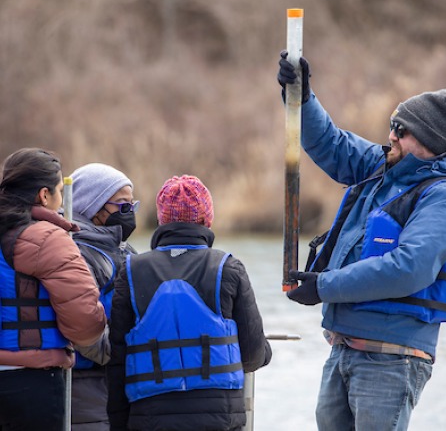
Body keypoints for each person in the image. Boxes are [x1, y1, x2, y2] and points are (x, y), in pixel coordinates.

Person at [278, 51, 446, 431]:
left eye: (403, 130)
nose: (392, 135)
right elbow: (330, 143)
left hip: (392, 360)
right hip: (343, 348)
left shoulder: (444, 196)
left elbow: (411, 267)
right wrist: (302, 96)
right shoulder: (383, 167)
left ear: (431, 142)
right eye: (394, 125)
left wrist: (323, 286)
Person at [107, 174, 272, 431]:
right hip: (220, 419)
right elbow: (252, 355)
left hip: (150, 418)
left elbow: (117, 361)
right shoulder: (228, 267)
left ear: (162, 220)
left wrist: (120, 424)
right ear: (207, 219)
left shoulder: (130, 271)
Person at [0, 148, 107, 431]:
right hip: (31, 383)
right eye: (60, 192)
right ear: (44, 195)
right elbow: (84, 322)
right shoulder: (46, 238)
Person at [69, 163, 139, 430]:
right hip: (86, 385)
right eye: (122, 205)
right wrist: (123, 354)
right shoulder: (75, 252)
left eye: (132, 205)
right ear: (91, 205)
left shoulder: (125, 249)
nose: (129, 213)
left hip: (119, 382)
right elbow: (83, 330)